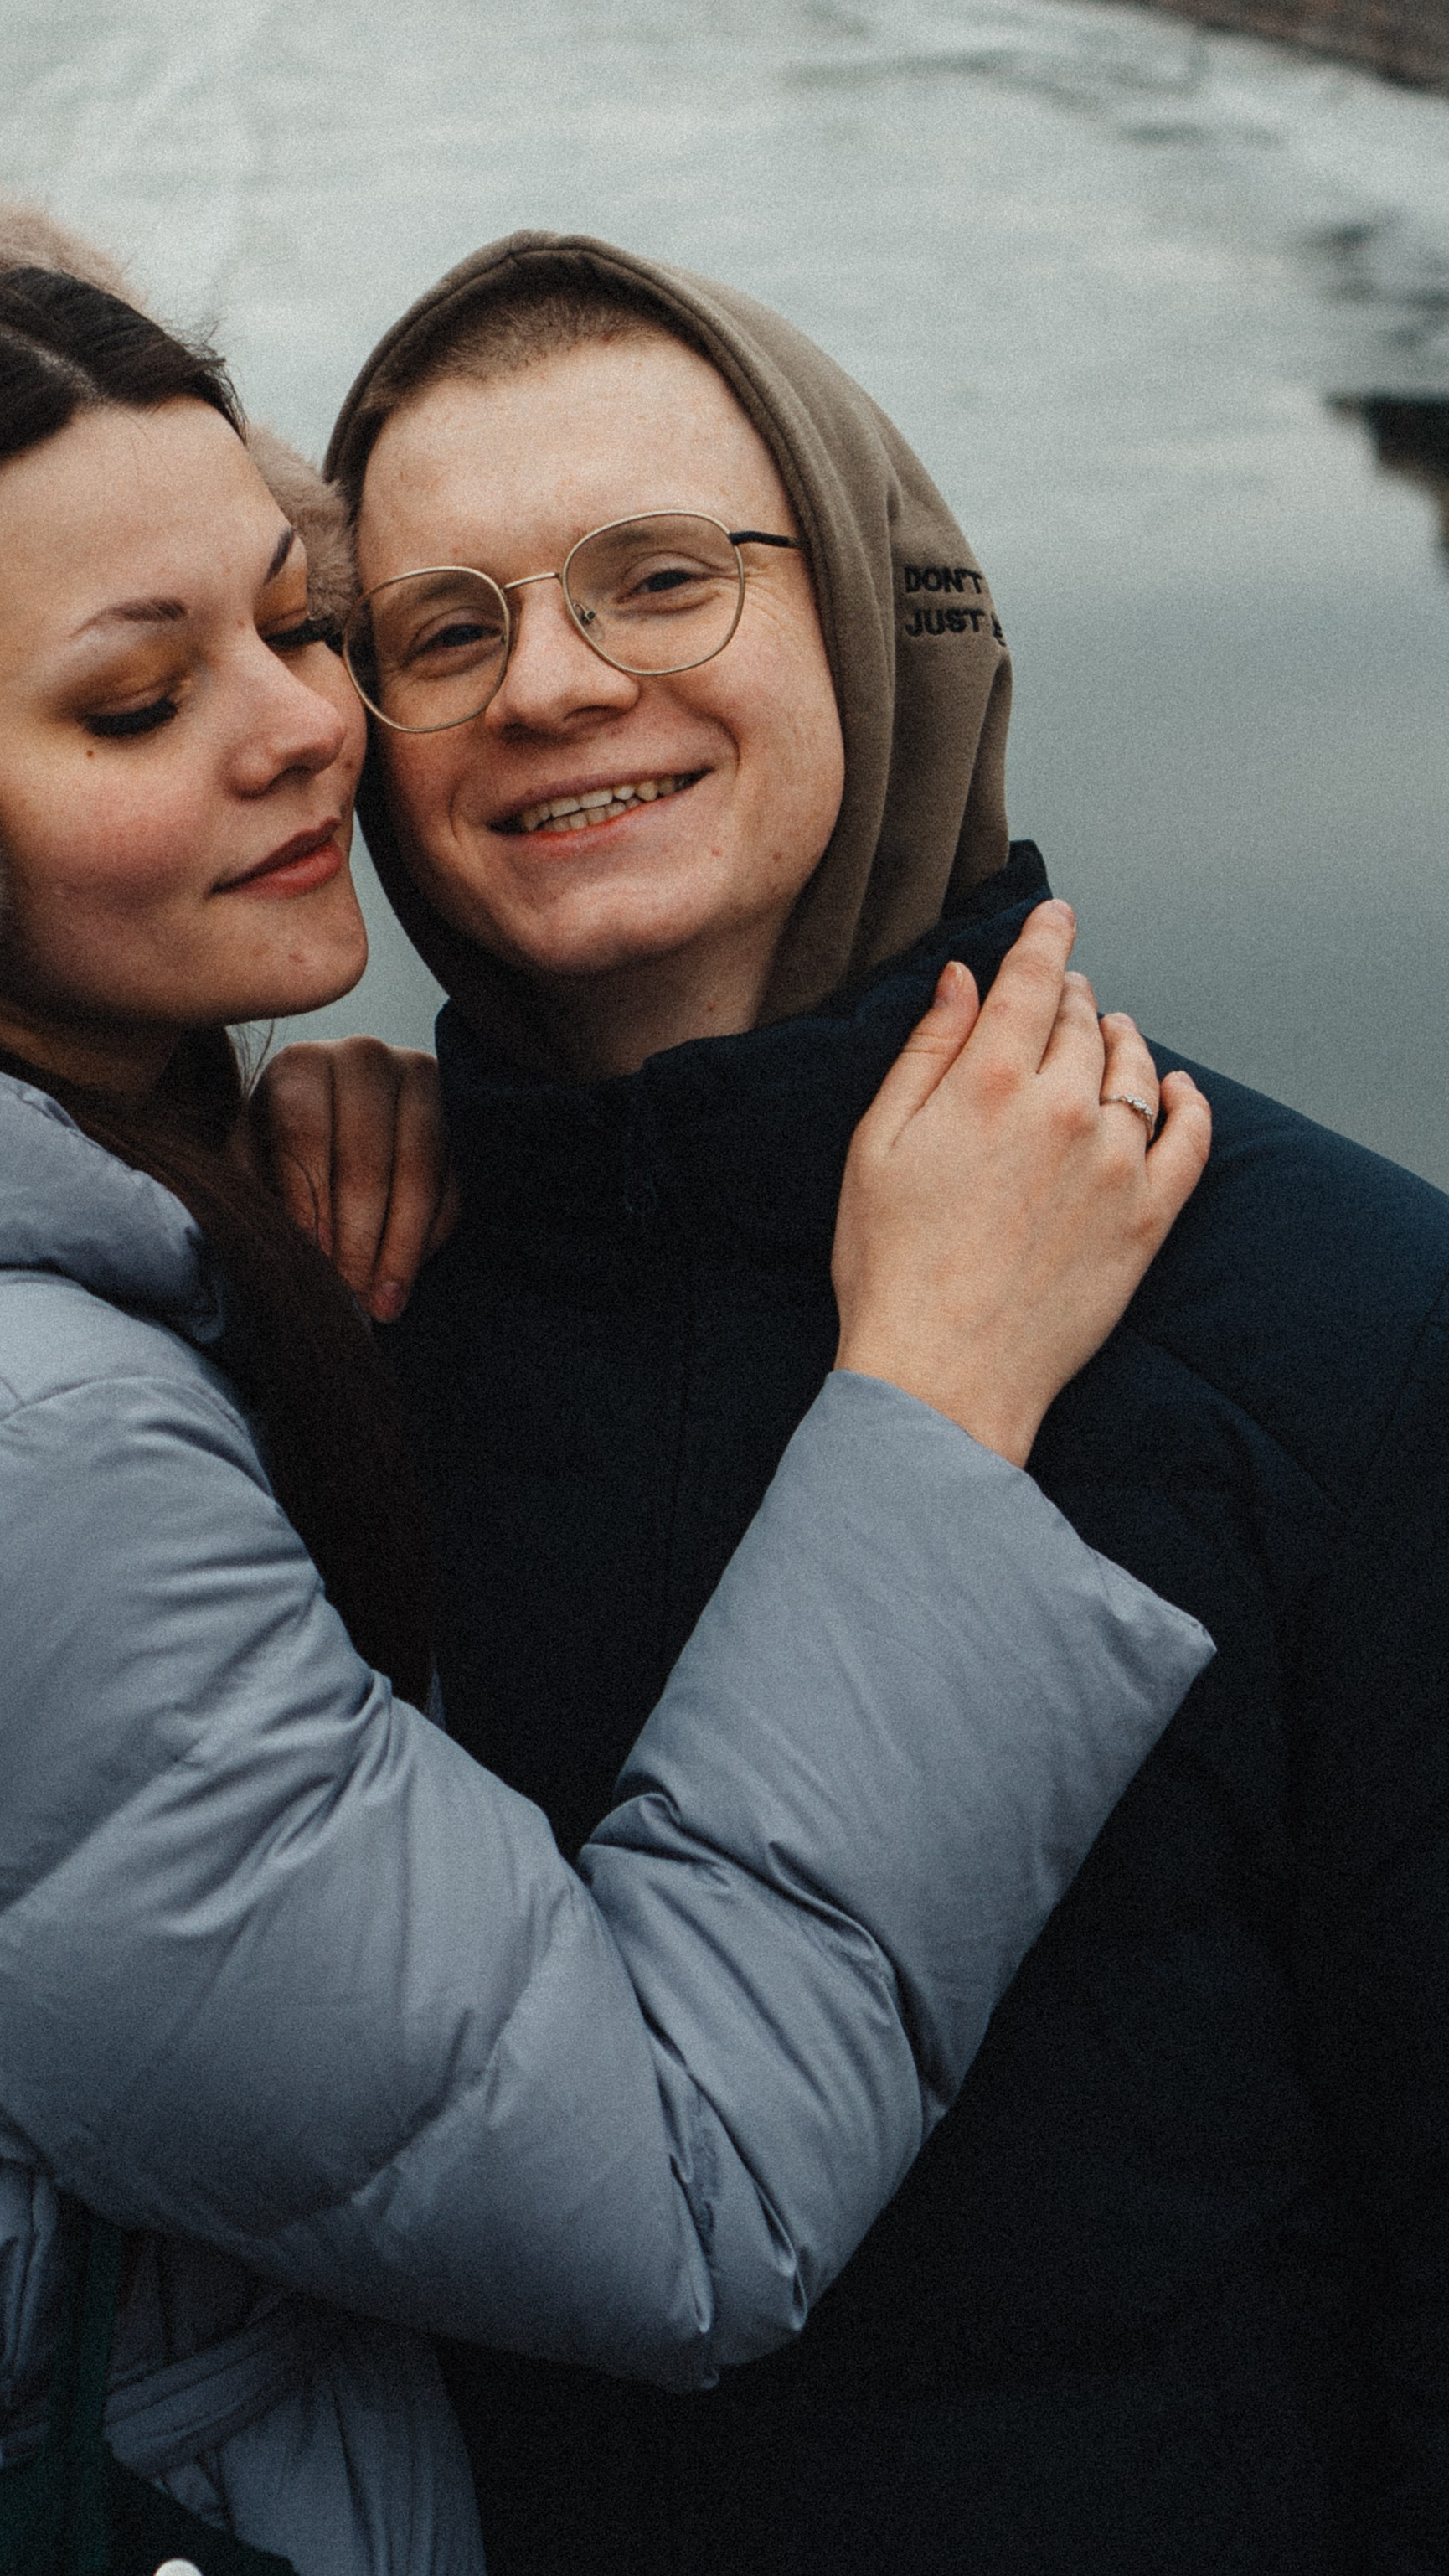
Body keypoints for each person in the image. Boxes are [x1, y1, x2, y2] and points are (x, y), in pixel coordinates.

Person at [0, 195, 1211, 2573]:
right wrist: (932, 1401)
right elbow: (679, 2191)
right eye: (138, 700)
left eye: (303, 622)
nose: (318, 724)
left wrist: (213, 1203)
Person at [250, 230, 1446, 2576]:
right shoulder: (319, 1312)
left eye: (660, 578)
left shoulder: (1342, 1319)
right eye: (445, 629)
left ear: (889, 617)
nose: (556, 685)